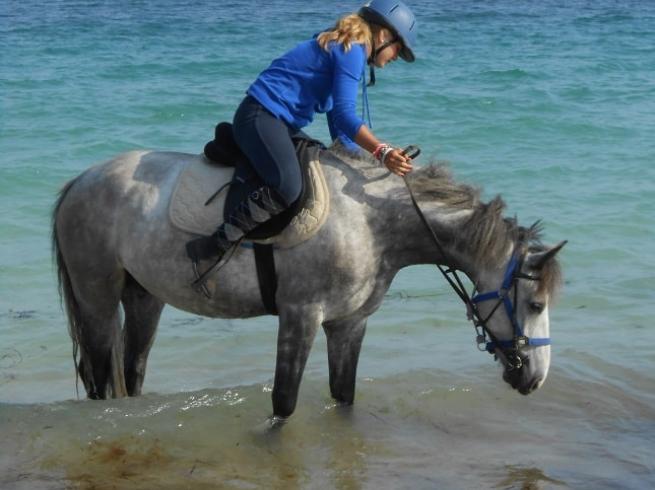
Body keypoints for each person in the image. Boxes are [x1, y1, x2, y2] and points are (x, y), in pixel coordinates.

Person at [186, 0, 418, 269]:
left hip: (277, 121)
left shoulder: (348, 47)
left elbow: (338, 125)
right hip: (261, 116)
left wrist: (359, 165)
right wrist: (382, 151)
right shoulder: (352, 49)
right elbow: (345, 114)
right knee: (288, 187)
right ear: (383, 35)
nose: (393, 60)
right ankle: (213, 247)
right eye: (397, 50)